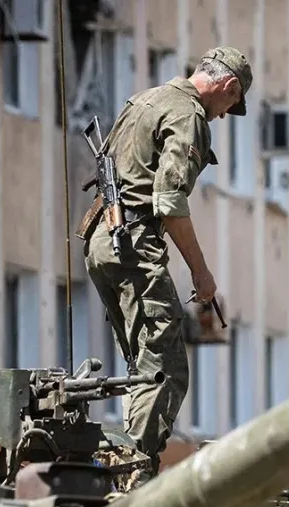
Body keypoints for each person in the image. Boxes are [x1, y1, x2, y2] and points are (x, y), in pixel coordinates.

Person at [82, 47, 254, 473]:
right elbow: (169, 200)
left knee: (143, 363)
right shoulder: (189, 114)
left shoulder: (145, 99)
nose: (222, 116)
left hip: (101, 240)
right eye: (230, 106)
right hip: (131, 242)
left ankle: (122, 456)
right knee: (166, 368)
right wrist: (202, 273)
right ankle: (131, 471)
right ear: (229, 88)